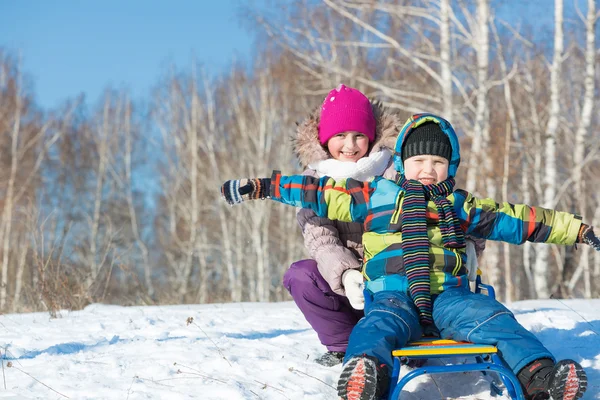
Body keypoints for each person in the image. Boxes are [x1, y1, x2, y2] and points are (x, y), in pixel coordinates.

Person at [220, 113, 597, 400]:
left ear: (451, 166)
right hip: (393, 295)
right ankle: (368, 375)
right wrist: (262, 186)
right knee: (376, 327)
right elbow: (317, 191)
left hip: (451, 298)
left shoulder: (461, 204)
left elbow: (519, 219)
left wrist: (578, 230)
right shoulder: (375, 196)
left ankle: (542, 377)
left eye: (438, 162)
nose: (428, 170)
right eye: (419, 162)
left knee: (494, 319)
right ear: (402, 164)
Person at [283, 84, 399, 367]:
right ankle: (343, 344)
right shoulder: (312, 180)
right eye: (340, 136)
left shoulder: (393, 170)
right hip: (346, 285)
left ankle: (401, 338)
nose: (350, 145)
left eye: (359, 135)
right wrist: (346, 273)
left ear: (371, 137)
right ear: (325, 139)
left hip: (392, 275)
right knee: (301, 276)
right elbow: (319, 237)